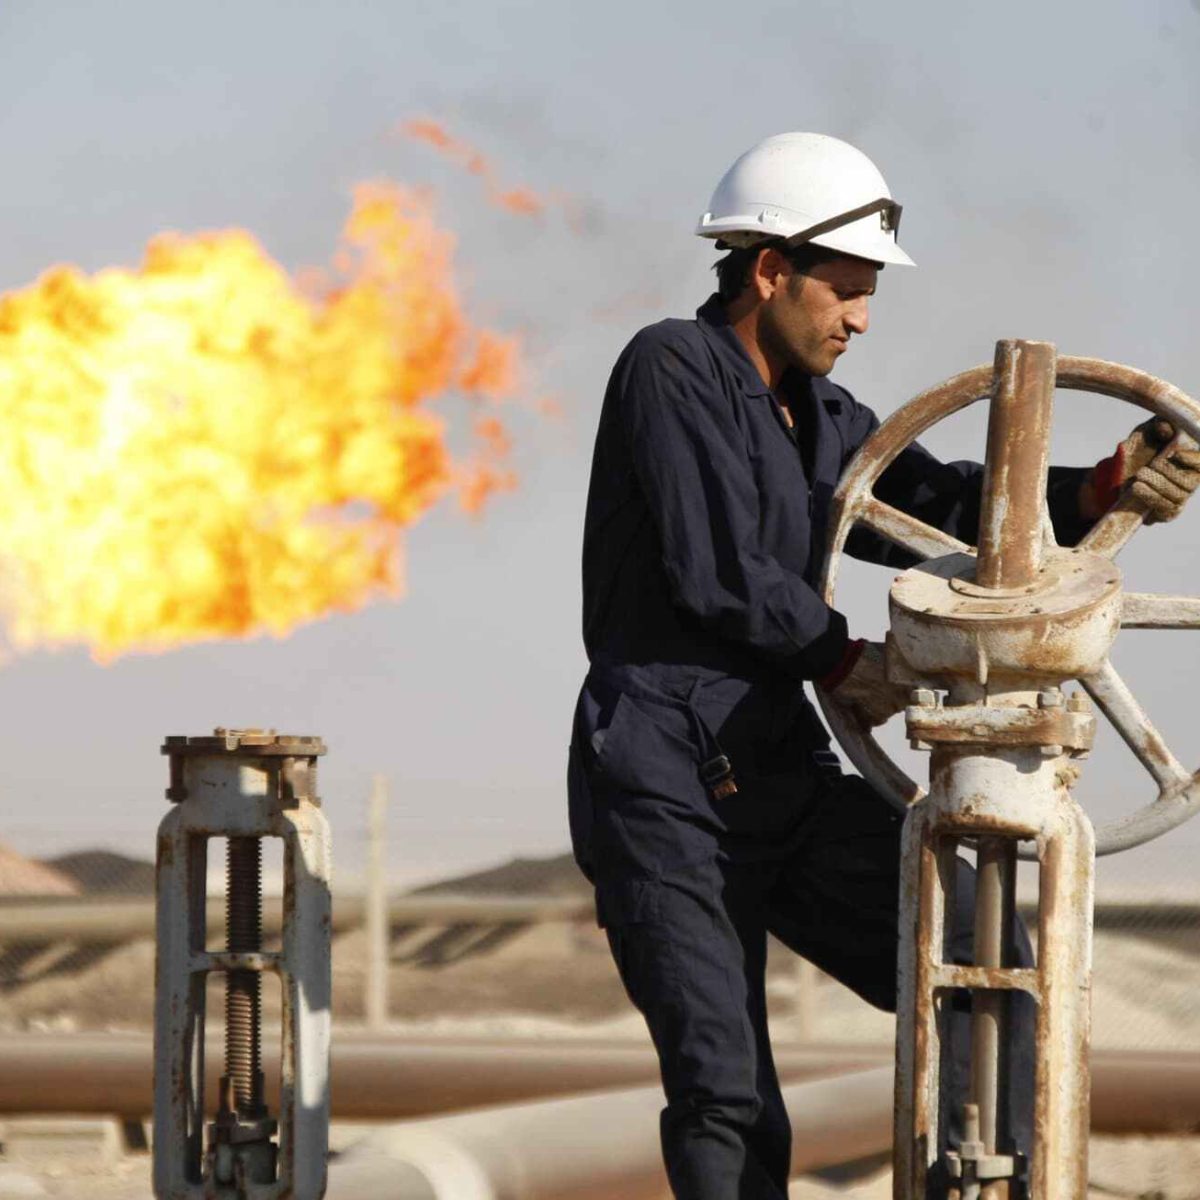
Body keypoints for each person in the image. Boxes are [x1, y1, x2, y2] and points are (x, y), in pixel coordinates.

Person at [566, 131, 1200, 1200]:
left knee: (973, 966)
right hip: (662, 772)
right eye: (845, 293)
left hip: (775, 757)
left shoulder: (821, 417)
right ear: (771, 270)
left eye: (868, 296)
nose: (860, 319)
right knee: (725, 1093)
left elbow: (939, 510)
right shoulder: (670, 368)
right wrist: (845, 657)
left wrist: (1100, 489)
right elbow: (713, 566)